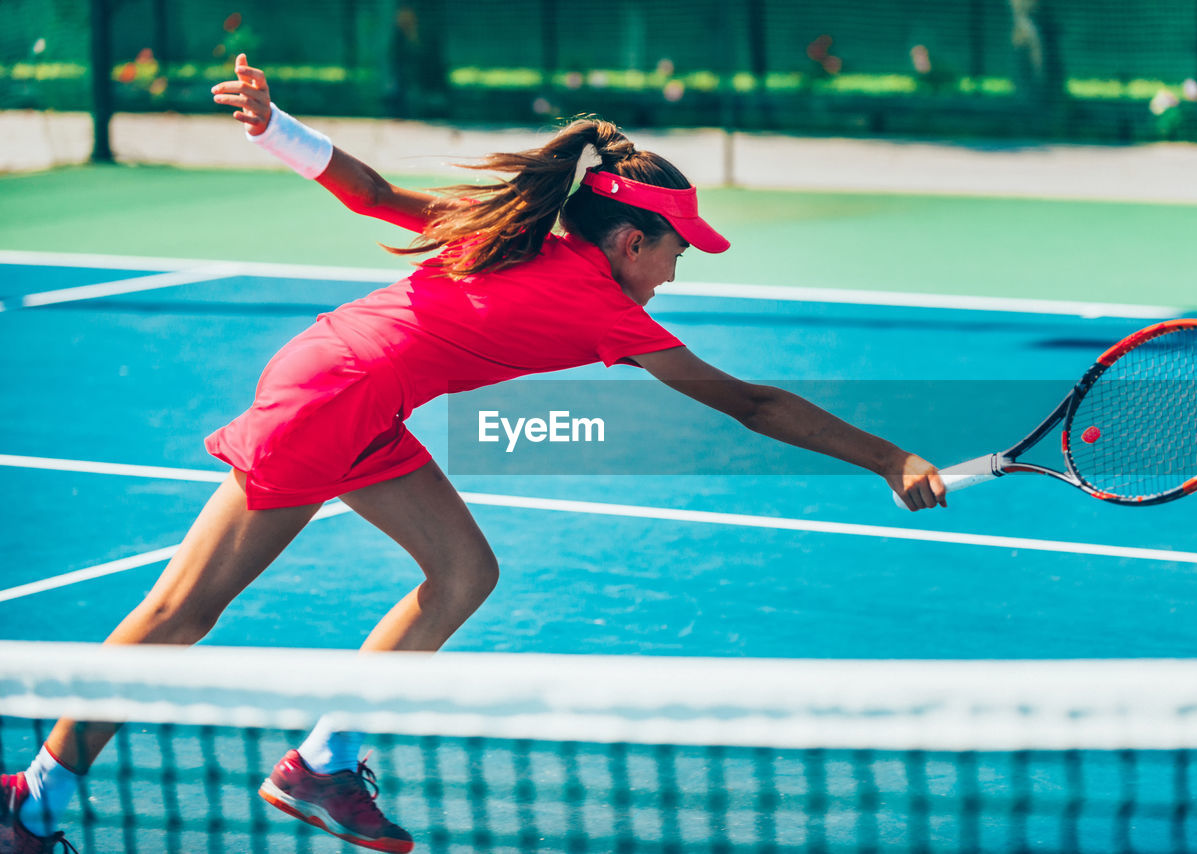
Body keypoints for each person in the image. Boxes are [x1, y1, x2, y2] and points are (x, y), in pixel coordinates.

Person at [0, 53, 946, 854]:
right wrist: (891, 457)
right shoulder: (601, 302)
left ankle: (322, 765)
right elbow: (750, 401)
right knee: (181, 613)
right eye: (675, 253)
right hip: (330, 402)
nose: (677, 269)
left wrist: (274, 124)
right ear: (626, 241)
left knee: (461, 574)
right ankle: (33, 803)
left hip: (357, 390)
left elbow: (368, 196)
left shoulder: (517, 236)